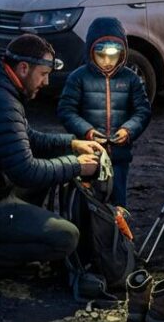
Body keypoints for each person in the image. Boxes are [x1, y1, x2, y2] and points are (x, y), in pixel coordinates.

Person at [0, 35, 106, 293]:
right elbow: (25, 172)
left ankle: (11, 236)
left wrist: (71, 144)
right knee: (65, 238)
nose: (46, 82)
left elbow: (27, 138)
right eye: (43, 74)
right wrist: (77, 165)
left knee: (47, 165)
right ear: (24, 68)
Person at [56, 17, 151, 208]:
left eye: (113, 56)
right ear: (91, 51)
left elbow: (143, 110)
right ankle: (84, 235)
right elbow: (66, 110)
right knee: (85, 202)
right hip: (88, 155)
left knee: (117, 204)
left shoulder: (131, 79)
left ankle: (117, 237)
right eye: (101, 56)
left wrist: (128, 130)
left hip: (119, 156)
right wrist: (87, 131)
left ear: (122, 52)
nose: (107, 62)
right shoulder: (78, 77)